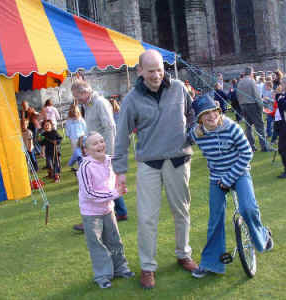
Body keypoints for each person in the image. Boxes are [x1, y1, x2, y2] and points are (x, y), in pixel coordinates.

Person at [113, 49, 197, 289]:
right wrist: (119, 171)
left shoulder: (180, 88)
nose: (156, 75)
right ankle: (148, 267)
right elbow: (121, 137)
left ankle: (184, 254)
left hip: (179, 160)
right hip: (149, 163)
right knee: (147, 218)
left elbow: (192, 114)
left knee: (182, 212)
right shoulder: (131, 98)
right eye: (150, 71)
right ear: (140, 71)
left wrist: (192, 134)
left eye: (160, 69)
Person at [187, 95, 273, 278]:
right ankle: (210, 263)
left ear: (219, 111)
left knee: (248, 208)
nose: (211, 117)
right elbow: (182, 139)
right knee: (215, 219)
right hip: (216, 178)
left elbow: (247, 153)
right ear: (200, 119)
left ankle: (263, 236)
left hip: (239, 173)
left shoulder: (232, 128)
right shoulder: (197, 133)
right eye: (205, 114)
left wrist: (229, 178)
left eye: (213, 112)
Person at [78, 132, 134, 289]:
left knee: (114, 240)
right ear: (86, 150)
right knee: (97, 244)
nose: (100, 145)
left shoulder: (110, 160)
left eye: (101, 141)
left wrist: (120, 184)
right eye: (94, 144)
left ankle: (121, 268)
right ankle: (103, 275)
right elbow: (89, 194)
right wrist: (115, 193)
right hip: (91, 213)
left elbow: (119, 171)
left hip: (108, 209)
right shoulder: (85, 167)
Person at [71, 80, 128, 232]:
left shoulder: (100, 103)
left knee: (101, 183)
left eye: (77, 96)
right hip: (96, 149)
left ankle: (103, 216)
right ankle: (120, 212)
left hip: (103, 150)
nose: (77, 100)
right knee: (105, 181)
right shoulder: (89, 105)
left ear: (84, 92)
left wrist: (107, 153)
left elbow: (110, 127)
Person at [236, 66, 269, 152]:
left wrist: (241, 105)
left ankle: (251, 146)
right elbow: (257, 96)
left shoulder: (240, 82)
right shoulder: (251, 81)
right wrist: (261, 107)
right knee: (260, 126)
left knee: (248, 127)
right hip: (252, 105)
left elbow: (238, 96)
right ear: (251, 73)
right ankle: (264, 146)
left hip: (243, 105)